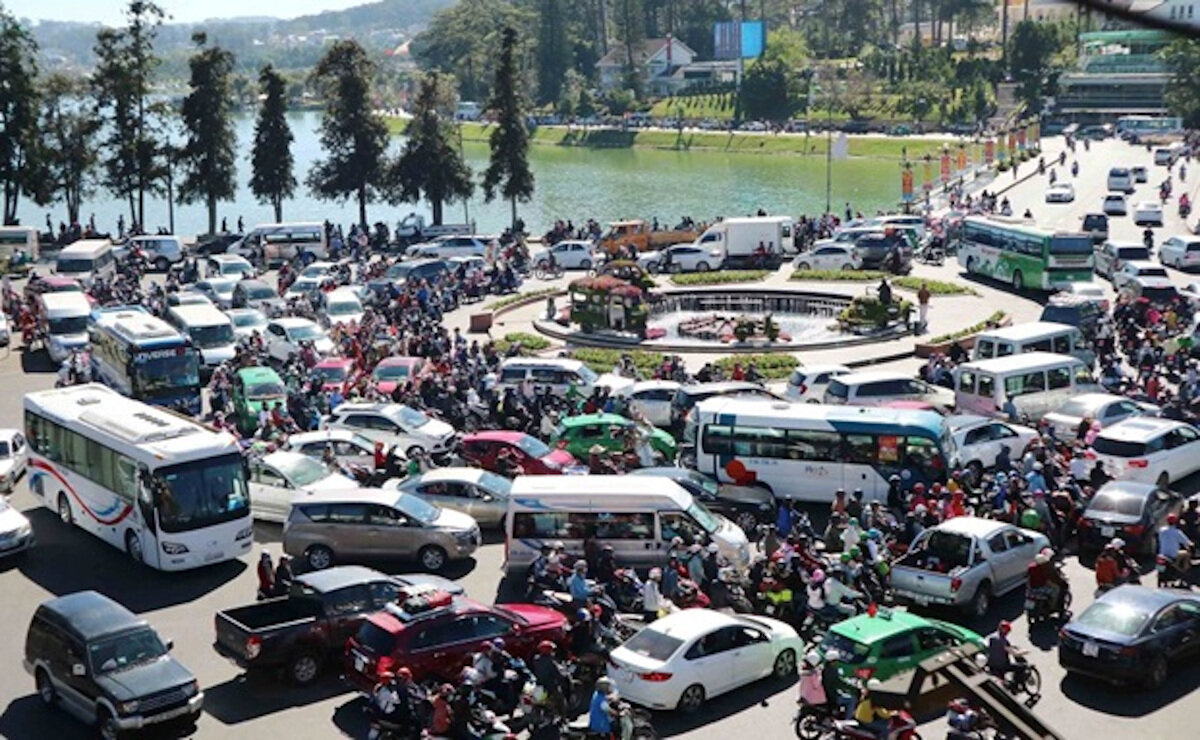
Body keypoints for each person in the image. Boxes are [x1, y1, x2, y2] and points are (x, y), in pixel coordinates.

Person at [822, 650, 854, 719]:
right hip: (833, 696)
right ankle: (847, 721)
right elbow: (839, 683)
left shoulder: (825, 668)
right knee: (852, 699)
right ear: (833, 661)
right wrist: (850, 686)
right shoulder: (832, 671)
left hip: (827, 693)